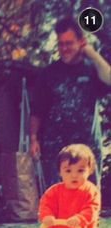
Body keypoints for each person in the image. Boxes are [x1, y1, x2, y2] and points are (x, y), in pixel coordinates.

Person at [30, 17, 111, 187]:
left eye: (69, 43)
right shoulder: (48, 74)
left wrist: (91, 53)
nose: (64, 49)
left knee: (89, 201)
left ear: (81, 42)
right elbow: (37, 109)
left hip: (87, 149)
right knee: (58, 203)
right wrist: (33, 138)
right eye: (60, 44)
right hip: (56, 151)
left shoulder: (92, 69)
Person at [39, 144, 104, 228]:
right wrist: (47, 217)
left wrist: (80, 218)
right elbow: (46, 205)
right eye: (68, 171)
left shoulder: (90, 191)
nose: (74, 175)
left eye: (80, 170)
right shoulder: (54, 191)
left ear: (90, 170)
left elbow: (92, 208)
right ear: (60, 172)